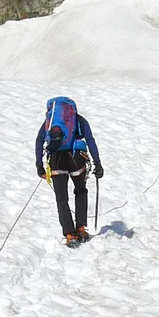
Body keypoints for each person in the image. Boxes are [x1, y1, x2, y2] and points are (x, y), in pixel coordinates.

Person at [35, 96, 104, 246]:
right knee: (80, 191)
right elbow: (90, 140)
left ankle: (69, 234)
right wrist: (97, 162)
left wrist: (39, 165)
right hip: (76, 158)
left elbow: (39, 141)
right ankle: (80, 228)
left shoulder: (49, 122)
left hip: (56, 160)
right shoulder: (78, 120)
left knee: (61, 197)